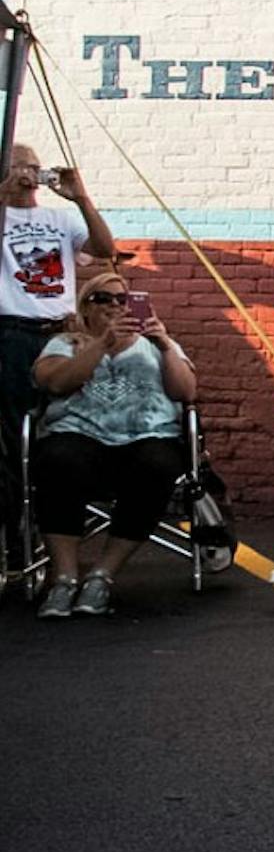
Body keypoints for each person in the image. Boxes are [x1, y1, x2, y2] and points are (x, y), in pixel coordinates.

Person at [30, 273, 195, 618]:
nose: (116, 306)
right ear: (86, 308)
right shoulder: (67, 342)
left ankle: (103, 575)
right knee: (57, 460)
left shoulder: (156, 343)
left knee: (158, 465)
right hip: (80, 434)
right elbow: (56, 384)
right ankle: (64, 578)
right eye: (104, 299)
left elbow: (186, 393)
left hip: (146, 436)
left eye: (123, 299)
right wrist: (101, 344)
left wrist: (165, 345)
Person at [1, 145, 115, 557]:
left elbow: (105, 249)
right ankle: (19, 531)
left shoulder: (59, 219)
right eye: (17, 166)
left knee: (68, 423)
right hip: (13, 331)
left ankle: (63, 518)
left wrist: (80, 196)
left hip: (62, 331)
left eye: (32, 166)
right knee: (16, 435)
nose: (27, 174)